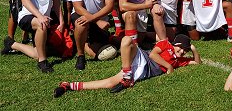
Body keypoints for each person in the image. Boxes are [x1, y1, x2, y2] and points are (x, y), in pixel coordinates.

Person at [53, 34, 201, 97]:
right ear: (173, 44)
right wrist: (168, 67)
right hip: (144, 57)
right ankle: (127, 75)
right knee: (127, 40)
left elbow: (197, 62)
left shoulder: (180, 60)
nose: (182, 51)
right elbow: (152, 55)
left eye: (185, 50)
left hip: (145, 71)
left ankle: (69, 85)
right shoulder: (165, 44)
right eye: (180, 48)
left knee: (109, 83)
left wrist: (193, 49)